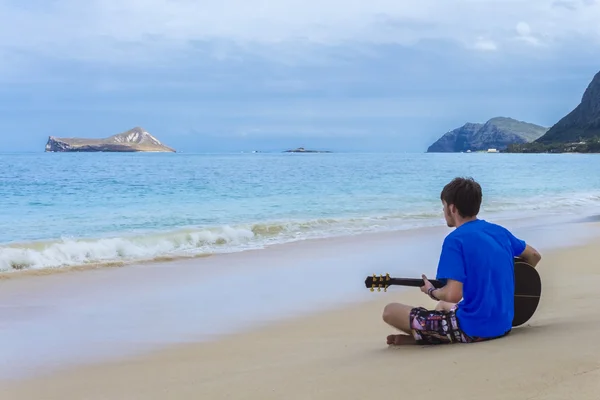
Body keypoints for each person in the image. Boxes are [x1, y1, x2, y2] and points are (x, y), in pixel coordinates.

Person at [382, 177, 542, 346]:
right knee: (444, 306)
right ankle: (429, 334)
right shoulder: (499, 232)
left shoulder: (455, 240)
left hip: (472, 330)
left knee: (390, 311)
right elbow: (534, 256)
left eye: (443, 206)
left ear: (452, 208)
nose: (443, 211)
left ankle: (432, 336)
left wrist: (431, 291)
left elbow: (453, 294)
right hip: (503, 324)